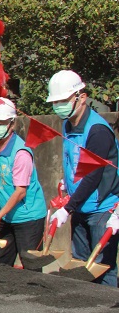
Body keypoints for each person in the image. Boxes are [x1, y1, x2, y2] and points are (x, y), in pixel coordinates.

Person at [46, 69, 119, 286]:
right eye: (55, 102)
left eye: (63, 100)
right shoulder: (67, 125)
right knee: (79, 266)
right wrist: (66, 186)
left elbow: (92, 176)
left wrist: (67, 209)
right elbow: (72, 162)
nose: (58, 106)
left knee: (102, 269)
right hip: (78, 205)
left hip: (100, 208)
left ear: (81, 97)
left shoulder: (97, 131)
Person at [0, 99, 47, 267]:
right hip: (7, 215)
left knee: (30, 266)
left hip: (28, 218)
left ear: (11, 124)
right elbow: (2, 174)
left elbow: (20, 191)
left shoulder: (21, 153)